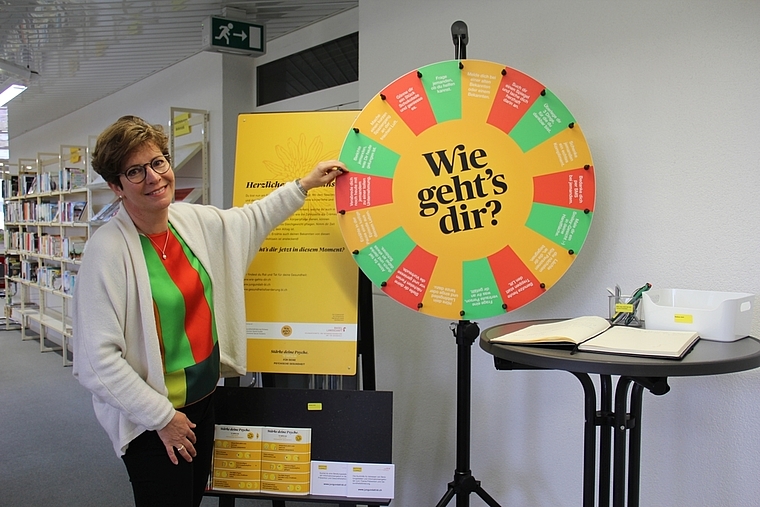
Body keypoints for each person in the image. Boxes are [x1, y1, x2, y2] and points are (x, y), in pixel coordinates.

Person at [72, 115, 346, 507]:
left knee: (193, 498)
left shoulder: (189, 221)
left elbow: (250, 220)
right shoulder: (106, 251)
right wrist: (162, 418)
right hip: (154, 419)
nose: (153, 177)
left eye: (158, 162)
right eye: (135, 171)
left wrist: (304, 184)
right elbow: (96, 362)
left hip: (203, 402)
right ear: (116, 187)